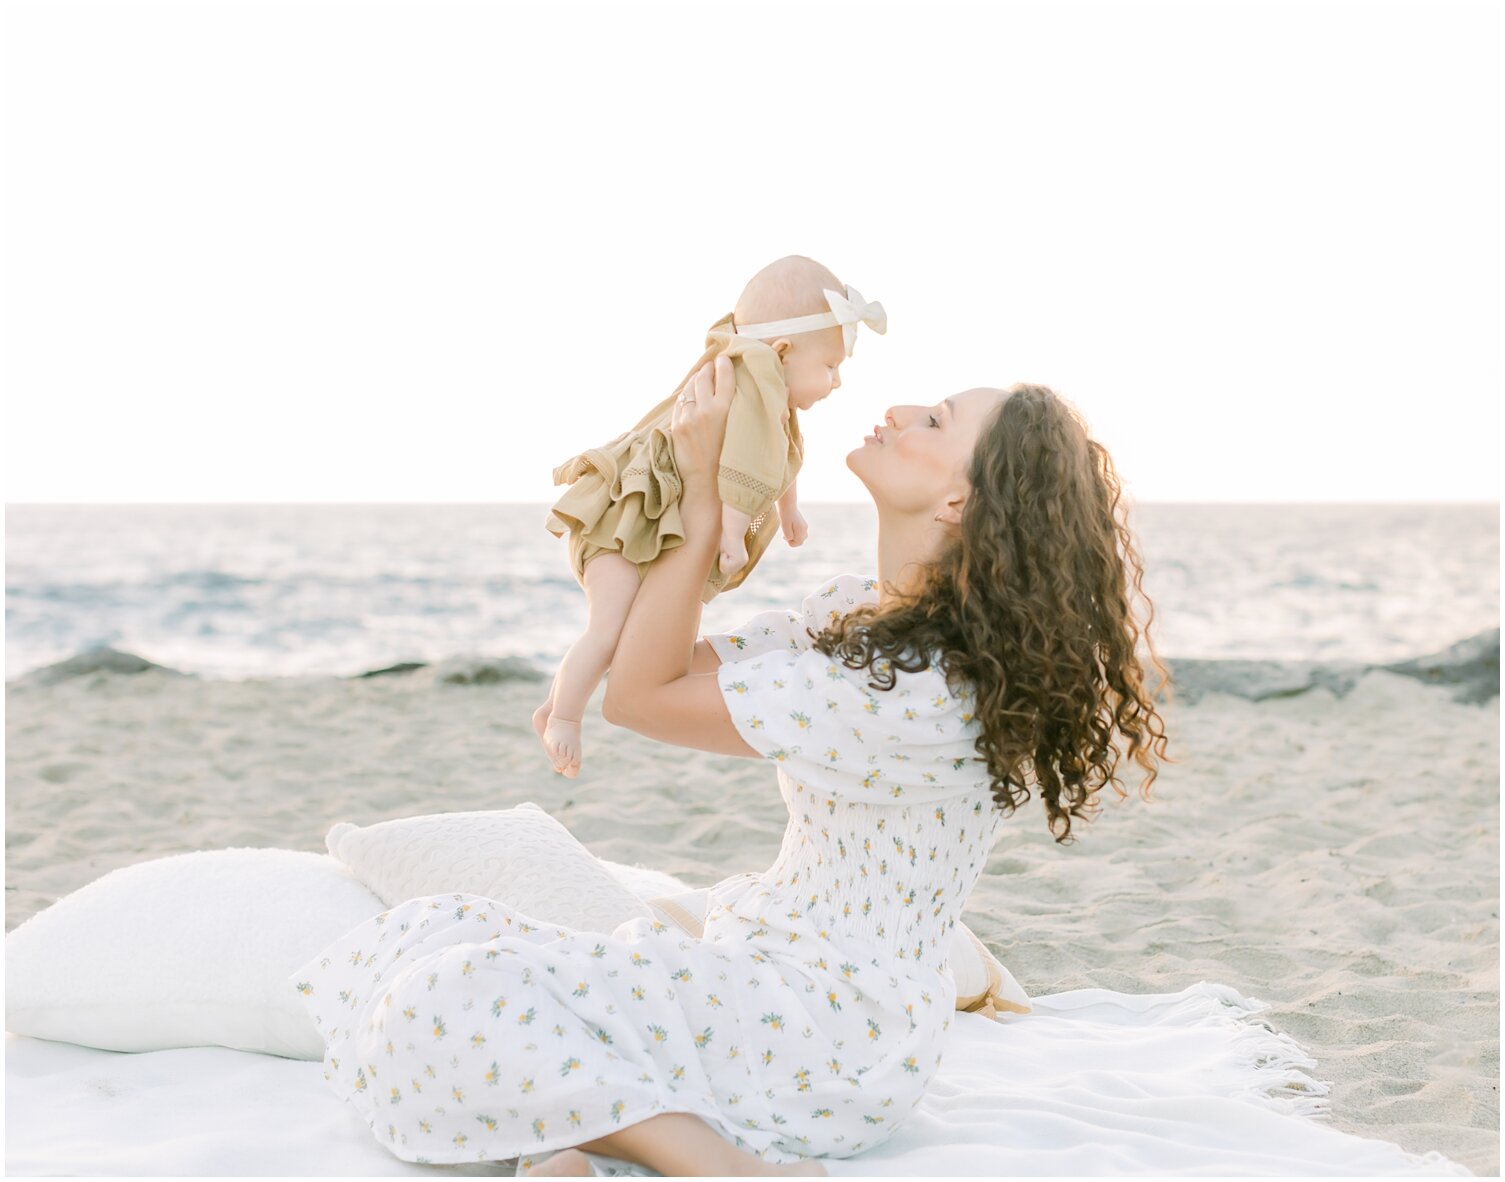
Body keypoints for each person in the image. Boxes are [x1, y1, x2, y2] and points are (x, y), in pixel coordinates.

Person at [290, 357, 1168, 1178]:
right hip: (769, 983)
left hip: (824, 1036)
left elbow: (640, 696)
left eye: (934, 422)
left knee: (436, 1000)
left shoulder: (908, 691)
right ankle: (580, 1134)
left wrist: (706, 496)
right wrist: (718, 477)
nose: (899, 412)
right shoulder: (866, 625)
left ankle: (719, 1167)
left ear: (956, 504)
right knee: (432, 930)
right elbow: (657, 657)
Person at [535, 254, 886, 779]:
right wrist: (729, 534)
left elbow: (782, 453)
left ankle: (558, 699)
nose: (836, 382)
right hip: (621, 521)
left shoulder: (770, 390)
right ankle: (563, 717)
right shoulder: (752, 382)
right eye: (831, 367)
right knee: (609, 629)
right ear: (783, 352)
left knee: (631, 634)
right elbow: (745, 462)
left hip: (642, 520)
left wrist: (789, 509)